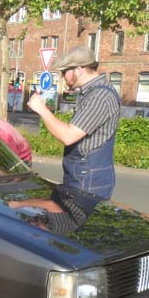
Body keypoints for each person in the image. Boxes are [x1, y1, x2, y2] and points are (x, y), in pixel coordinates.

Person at [27, 46, 120, 200]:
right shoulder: (92, 92)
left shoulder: (100, 96)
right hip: (83, 176)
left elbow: (68, 135)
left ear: (78, 70)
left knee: (76, 222)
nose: (63, 77)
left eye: (64, 72)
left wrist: (42, 109)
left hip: (88, 182)